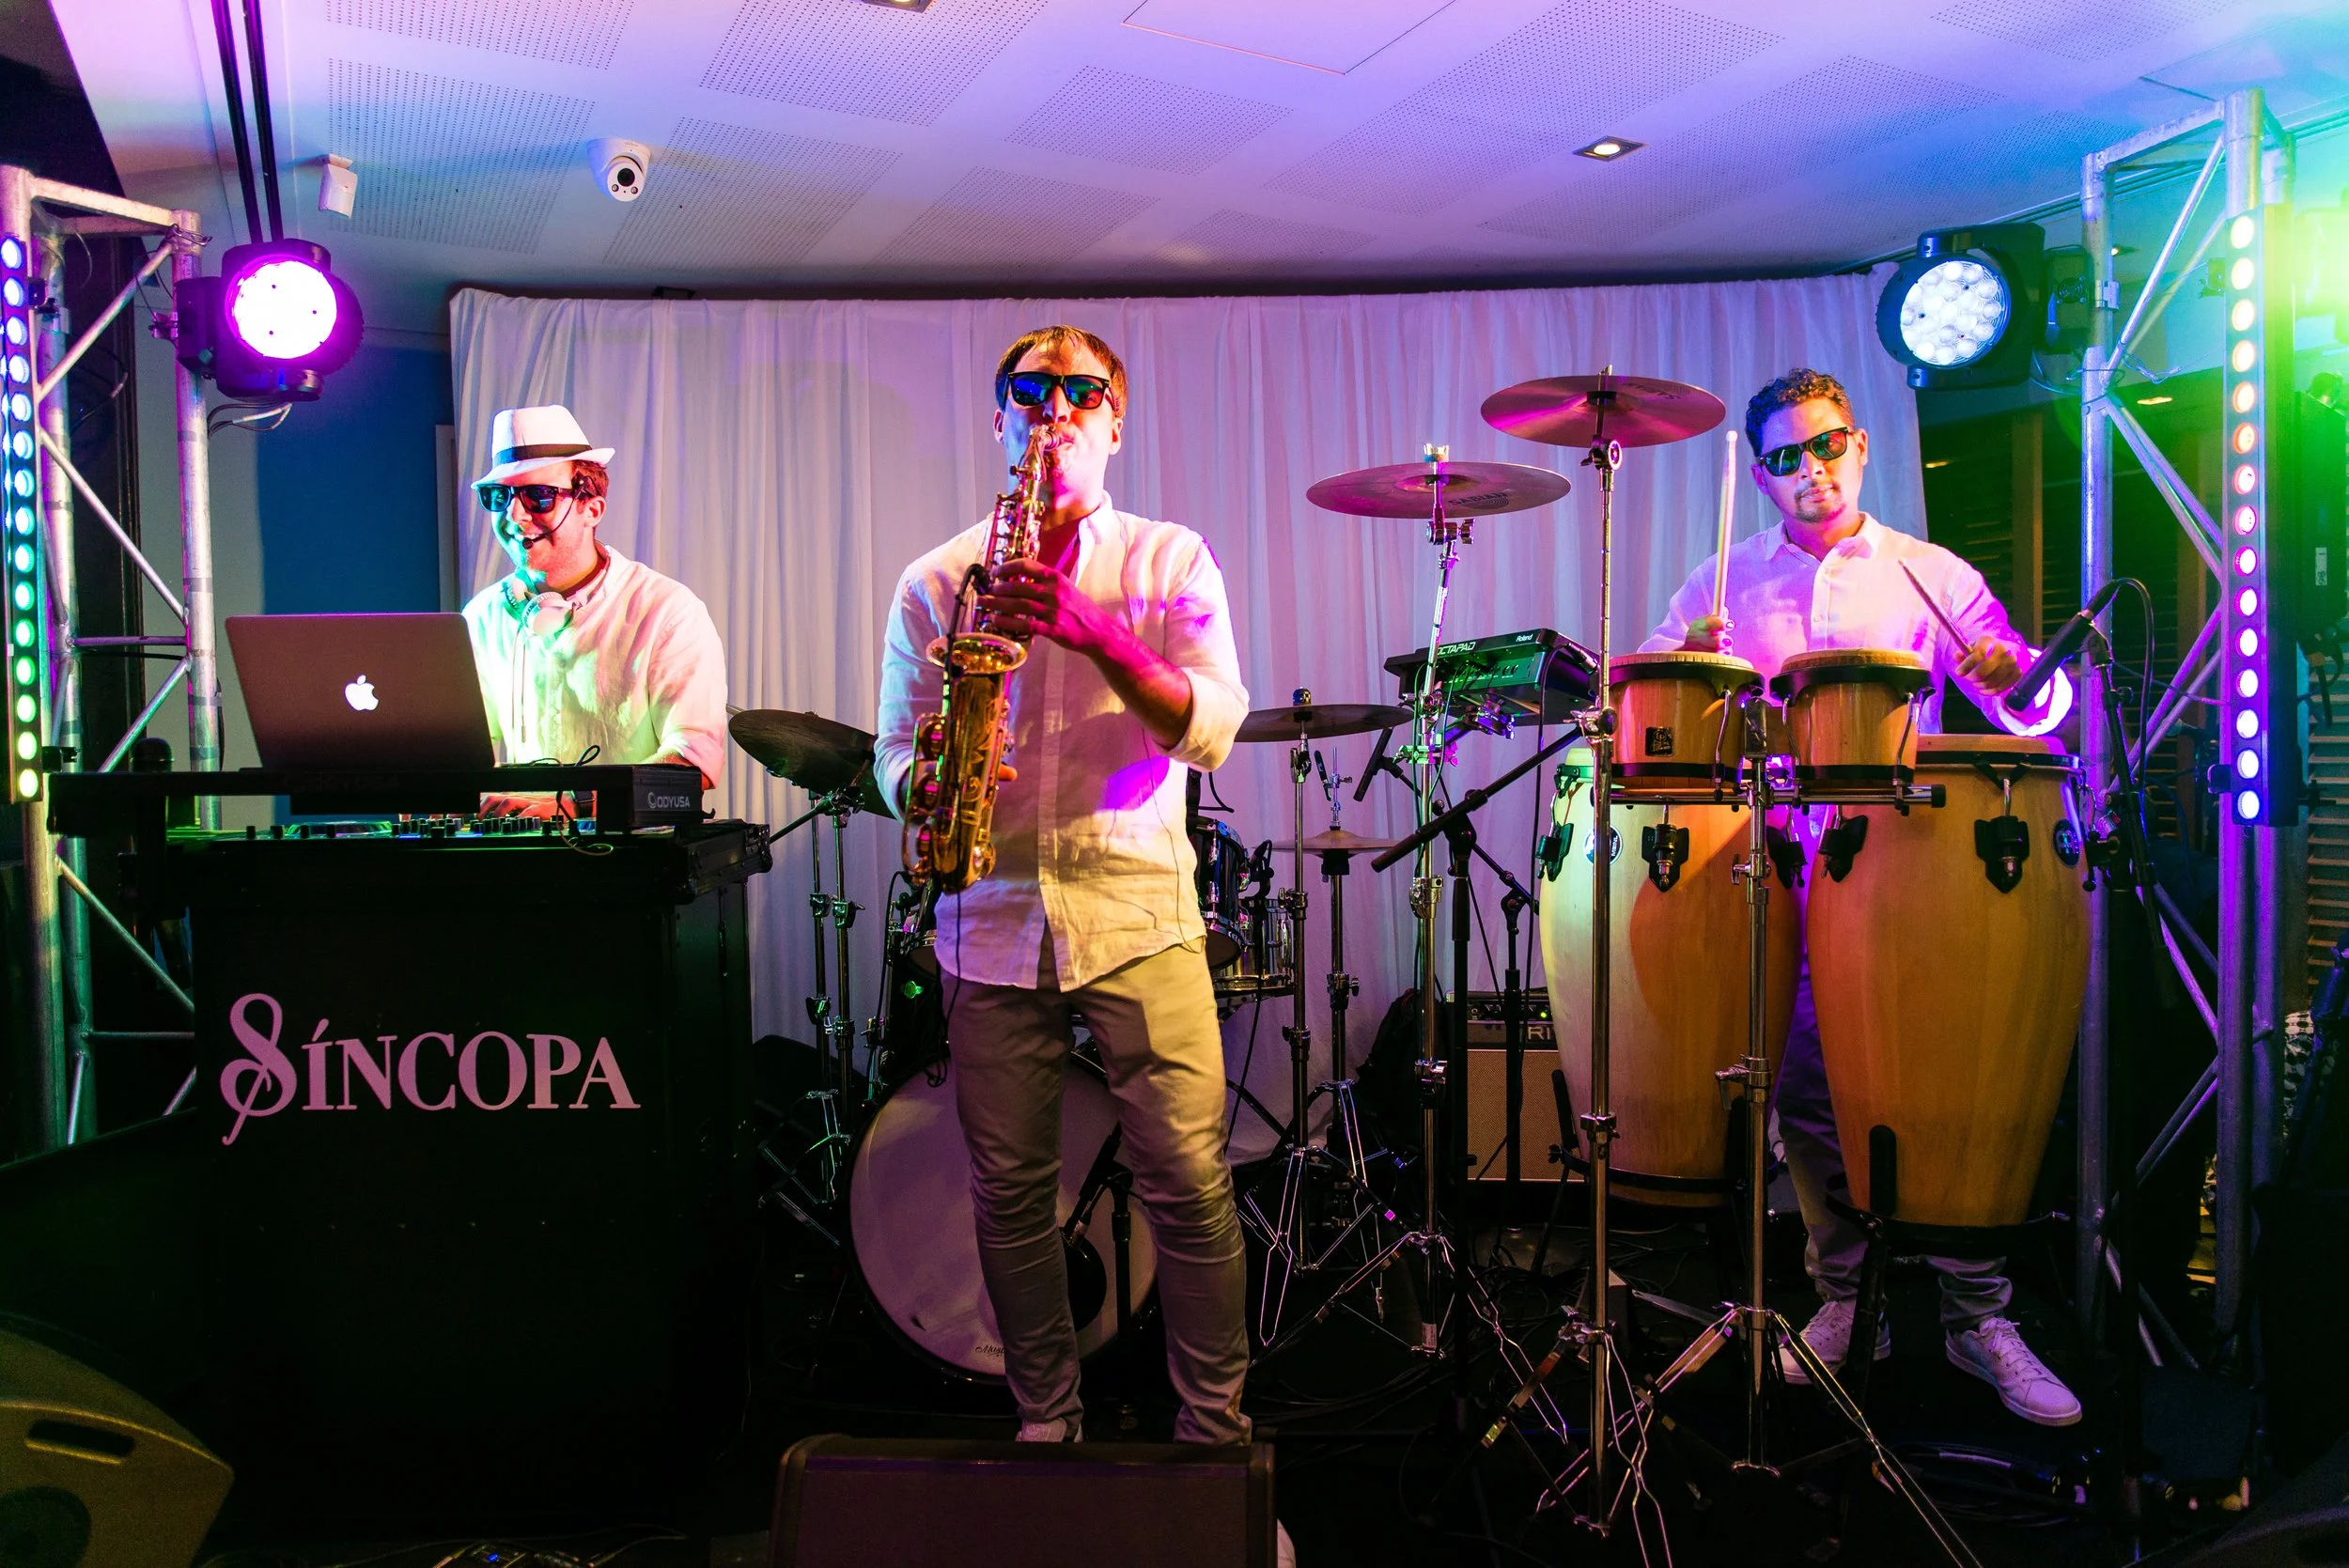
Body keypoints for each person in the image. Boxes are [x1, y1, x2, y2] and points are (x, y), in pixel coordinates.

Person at [1642, 366, 2082, 1427]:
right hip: (1781, 868)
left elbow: (2041, 711)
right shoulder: (1719, 582)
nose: (1811, 470)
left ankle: (1981, 1316)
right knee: (1805, 1087)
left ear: (1861, 444)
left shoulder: (1928, 572)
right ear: (1760, 474)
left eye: (1826, 444)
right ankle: (1849, 1299)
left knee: (1945, 1085)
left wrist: (2013, 670)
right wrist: (1688, 669)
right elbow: (1655, 717)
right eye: (1787, 457)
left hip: (1912, 870)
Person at [873, 326, 1252, 1445]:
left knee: (1188, 1182)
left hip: (1137, 906)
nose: (1055, 408)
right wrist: (927, 780)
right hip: (985, 914)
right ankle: (1046, 1424)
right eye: (1028, 392)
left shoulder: (1170, 559)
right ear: (999, 421)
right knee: (1005, 1194)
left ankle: (1214, 1436)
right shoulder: (936, 579)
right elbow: (890, 751)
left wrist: (1090, 630)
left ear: (1116, 422)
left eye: (1082, 391)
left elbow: (1215, 730)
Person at [462, 404, 727, 813]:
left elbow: (694, 763)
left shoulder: (667, 612)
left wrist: (576, 806)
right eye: (499, 497)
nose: (514, 515)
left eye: (538, 496)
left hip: (632, 862)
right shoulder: (482, 617)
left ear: (592, 509)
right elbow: (463, 748)